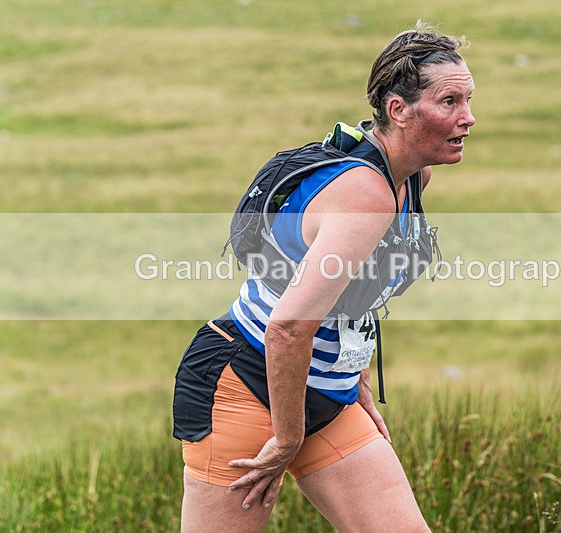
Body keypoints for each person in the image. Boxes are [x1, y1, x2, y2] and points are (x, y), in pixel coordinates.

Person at [173, 22, 475, 532]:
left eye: (468, 100)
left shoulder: (412, 178)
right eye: (449, 101)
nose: (468, 118)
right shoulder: (366, 194)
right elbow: (289, 326)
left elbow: (353, 289)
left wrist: (352, 374)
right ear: (398, 110)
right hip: (244, 383)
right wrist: (287, 438)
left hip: (325, 394)